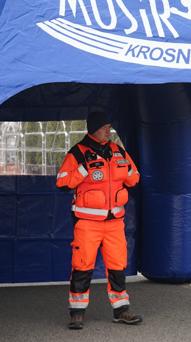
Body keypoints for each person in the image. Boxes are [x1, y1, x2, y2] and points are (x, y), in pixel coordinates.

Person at [56, 110, 142, 330]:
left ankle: (121, 310)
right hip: (87, 222)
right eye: (105, 127)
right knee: (82, 265)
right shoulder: (78, 153)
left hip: (115, 222)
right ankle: (77, 312)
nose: (108, 130)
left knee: (117, 265)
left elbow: (134, 177)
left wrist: (127, 175)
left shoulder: (118, 151)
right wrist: (84, 170)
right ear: (94, 129)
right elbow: (62, 182)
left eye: (109, 127)